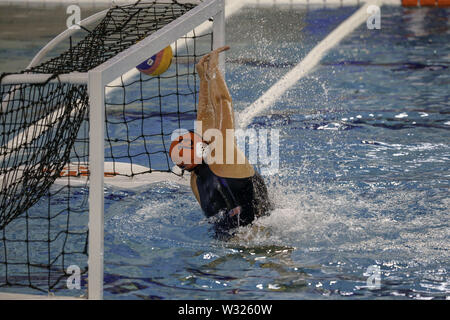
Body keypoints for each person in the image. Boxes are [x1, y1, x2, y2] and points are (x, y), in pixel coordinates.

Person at [169, 46, 272, 236]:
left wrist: (203, 80)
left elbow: (204, 118)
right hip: (260, 233)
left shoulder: (194, 181)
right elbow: (224, 101)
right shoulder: (224, 157)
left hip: (225, 239)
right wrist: (214, 70)